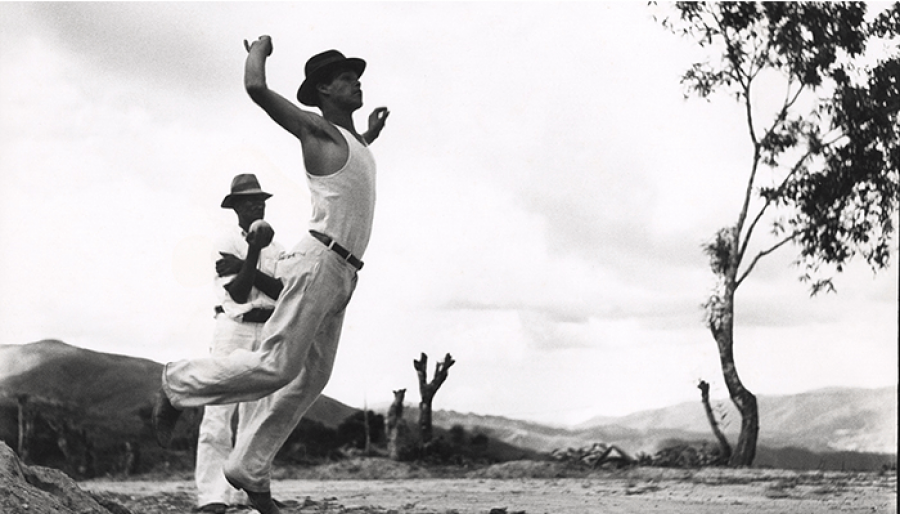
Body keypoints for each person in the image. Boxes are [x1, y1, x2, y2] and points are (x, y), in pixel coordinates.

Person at [153, 35, 389, 514]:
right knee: (277, 367)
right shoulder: (318, 132)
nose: (356, 83)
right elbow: (257, 90)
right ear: (323, 91)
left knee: (311, 378)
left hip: (344, 273)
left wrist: (370, 132)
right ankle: (176, 384)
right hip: (319, 262)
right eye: (346, 78)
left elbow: (354, 160)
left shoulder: (353, 142)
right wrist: (259, 50)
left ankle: (248, 466)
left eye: (357, 77)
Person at [194, 174, 285, 514]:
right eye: (248, 201)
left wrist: (247, 264)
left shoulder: (278, 249)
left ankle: (249, 492)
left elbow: (283, 292)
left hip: (268, 327)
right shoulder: (226, 242)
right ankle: (212, 497)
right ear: (235, 208)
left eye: (260, 200)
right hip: (234, 328)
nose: (257, 205)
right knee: (219, 411)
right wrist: (252, 253)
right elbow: (239, 293)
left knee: (257, 415)